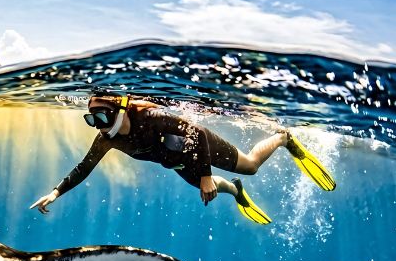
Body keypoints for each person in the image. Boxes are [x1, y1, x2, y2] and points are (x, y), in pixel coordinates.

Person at [30, 94, 335, 224]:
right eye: (90, 119)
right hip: (178, 164)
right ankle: (237, 191)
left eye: (100, 116)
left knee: (251, 166)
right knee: (219, 187)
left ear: (118, 109)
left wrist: (203, 174)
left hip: (202, 145)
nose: (96, 124)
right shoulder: (106, 140)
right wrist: (55, 192)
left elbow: (196, 134)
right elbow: (85, 167)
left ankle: (284, 138)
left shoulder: (151, 117)